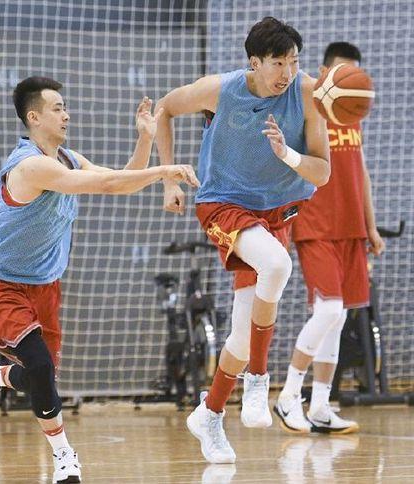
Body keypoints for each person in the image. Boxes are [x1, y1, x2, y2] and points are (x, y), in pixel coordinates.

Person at [0, 76, 198, 483]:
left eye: (65, 107)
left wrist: (145, 140)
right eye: (57, 108)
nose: (66, 114)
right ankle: (65, 457)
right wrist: (167, 170)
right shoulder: (31, 165)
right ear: (34, 117)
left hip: (44, 282)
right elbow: (106, 184)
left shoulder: (68, 158)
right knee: (39, 367)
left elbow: (122, 181)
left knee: (43, 377)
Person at [154, 17, 330, 463]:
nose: (287, 72)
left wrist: (287, 154)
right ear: (254, 63)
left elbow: (322, 173)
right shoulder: (220, 89)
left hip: (276, 212)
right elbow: (165, 109)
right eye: (277, 63)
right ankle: (258, 380)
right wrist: (169, 179)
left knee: (240, 336)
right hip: (224, 204)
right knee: (277, 265)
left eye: (293, 61)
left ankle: (209, 414)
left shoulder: (306, 93)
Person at [274, 42, 384, 434]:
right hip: (316, 223)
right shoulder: (306, 108)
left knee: (338, 319)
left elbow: (361, 173)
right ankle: (289, 394)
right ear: (323, 72)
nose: (346, 80)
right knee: (329, 311)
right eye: (340, 72)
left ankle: (320, 406)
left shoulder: (352, 113)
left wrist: (371, 226)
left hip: (351, 227)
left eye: (353, 73)